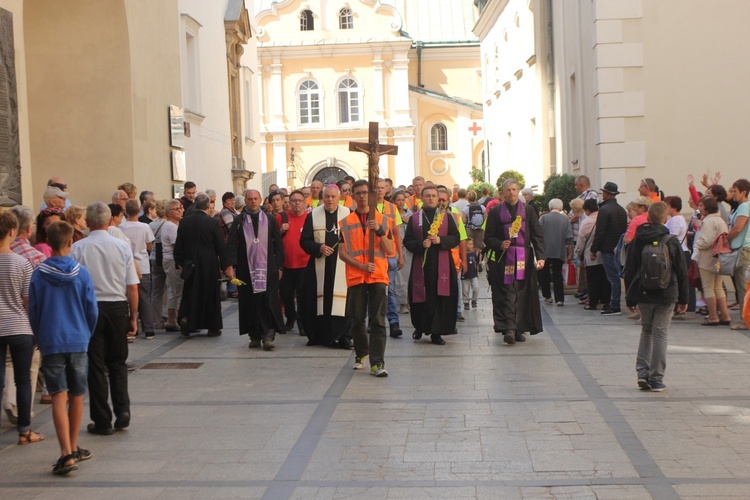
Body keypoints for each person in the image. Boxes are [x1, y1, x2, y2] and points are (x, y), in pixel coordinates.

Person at [28, 221, 98, 475]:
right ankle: (74, 445)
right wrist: (86, 334)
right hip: (78, 338)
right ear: (71, 242)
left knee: (58, 394)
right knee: (77, 394)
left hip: (51, 339)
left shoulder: (38, 273)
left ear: (47, 241)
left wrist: (39, 334)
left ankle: (66, 452)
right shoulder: (82, 273)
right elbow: (92, 309)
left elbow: (33, 309)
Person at [70, 202, 139, 436]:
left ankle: (102, 420)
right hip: (118, 306)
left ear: (88, 222)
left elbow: (73, 285)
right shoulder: (121, 246)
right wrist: (134, 316)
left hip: (90, 308)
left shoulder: (78, 248)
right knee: (118, 362)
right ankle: (123, 410)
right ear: (110, 221)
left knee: (96, 366)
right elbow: (132, 286)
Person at [624, 202, 688, 392]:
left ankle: (642, 374)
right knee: (661, 334)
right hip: (667, 293)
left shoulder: (638, 240)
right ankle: (657, 378)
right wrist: (683, 299)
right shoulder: (671, 240)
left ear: (648, 217)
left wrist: (630, 297)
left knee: (646, 331)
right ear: (665, 219)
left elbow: (630, 270)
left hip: (644, 292)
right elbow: (682, 271)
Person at [339, 179, 395, 376]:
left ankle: (377, 362)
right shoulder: (345, 222)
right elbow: (342, 253)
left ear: (371, 196)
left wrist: (379, 231)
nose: (362, 196)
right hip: (356, 276)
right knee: (356, 319)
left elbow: (391, 250)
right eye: (358, 193)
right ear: (352, 196)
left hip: (378, 275)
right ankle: (361, 352)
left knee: (378, 319)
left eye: (365, 193)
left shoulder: (384, 220)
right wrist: (360, 265)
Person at [0, 211, 46, 446]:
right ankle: (25, 430)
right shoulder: (22, 263)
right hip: (19, 326)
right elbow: (29, 300)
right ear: (12, 232)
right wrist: (36, 328)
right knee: (23, 380)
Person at [484, 179, 546, 344]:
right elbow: (488, 237)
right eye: (508, 190)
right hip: (503, 259)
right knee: (506, 292)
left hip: (523, 258)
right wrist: (499, 243)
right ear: (503, 192)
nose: (511, 192)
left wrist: (541, 257)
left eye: (513, 189)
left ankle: (519, 327)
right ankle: (508, 328)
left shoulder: (529, 210)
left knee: (522, 293)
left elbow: (537, 235)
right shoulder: (496, 212)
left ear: (518, 191)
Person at [227, 189, 285, 350]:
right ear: (245, 201)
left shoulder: (270, 219)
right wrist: (229, 266)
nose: (253, 201)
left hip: (268, 266)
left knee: (268, 300)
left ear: (260, 200)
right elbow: (231, 244)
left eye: (255, 198)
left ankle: (268, 334)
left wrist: (280, 265)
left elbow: (278, 243)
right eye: (250, 199)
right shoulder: (239, 221)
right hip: (246, 267)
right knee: (250, 301)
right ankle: (254, 335)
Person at [403, 185, 461, 345]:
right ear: (421, 198)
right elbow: (407, 241)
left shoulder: (446, 216)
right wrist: (421, 244)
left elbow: (456, 237)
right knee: (420, 297)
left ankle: (437, 332)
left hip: (442, 262)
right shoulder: (415, 218)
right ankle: (420, 327)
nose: (430, 198)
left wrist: (441, 240)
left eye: (433, 196)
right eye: (427, 195)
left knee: (439, 297)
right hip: (421, 264)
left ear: (438, 198)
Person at [299, 185, 353, 348]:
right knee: (316, 300)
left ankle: (344, 336)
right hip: (319, 266)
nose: (330, 200)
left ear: (339, 197)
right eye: (327, 197)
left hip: (342, 264)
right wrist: (319, 248)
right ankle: (319, 335)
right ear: (322, 198)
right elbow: (304, 241)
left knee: (345, 301)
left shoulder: (348, 214)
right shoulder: (313, 215)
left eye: (333, 197)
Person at [174, 193, 229, 337]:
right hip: (209, 265)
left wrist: (179, 262)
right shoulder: (212, 223)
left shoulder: (184, 222)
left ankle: (187, 319)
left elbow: (179, 246)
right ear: (207, 206)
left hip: (191, 264)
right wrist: (226, 266)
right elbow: (220, 246)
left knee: (191, 294)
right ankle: (212, 326)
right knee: (210, 295)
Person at [691, 196, 731, 326]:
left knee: (708, 287)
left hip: (708, 257)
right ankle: (725, 315)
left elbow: (707, 241)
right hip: (719, 258)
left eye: (701, 206)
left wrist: (697, 244)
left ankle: (713, 316)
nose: (699, 208)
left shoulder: (709, 221)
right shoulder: (720, 220)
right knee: (718, 287)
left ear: (707, 208)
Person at [120, 199, 156, 340]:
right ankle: (149, 329)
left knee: (128, 298)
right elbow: (150, 246)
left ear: (125, 212)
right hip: (143, 265)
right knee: (145, 297)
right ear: (138, 211)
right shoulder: (144, 227)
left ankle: (131, 328)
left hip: (127, 265)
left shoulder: (122, 227)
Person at [590, 182, 628, 316]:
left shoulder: (605, 210)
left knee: (613, 278)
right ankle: (614, 302)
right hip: (618, 248)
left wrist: (593, 249)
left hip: (607, 248)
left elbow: (600, 232)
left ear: (607, 194)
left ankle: (614, 304)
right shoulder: (621, 210)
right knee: (615, 277)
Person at [278, 190, 310, 335]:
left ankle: (302, 323)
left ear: (304, 202)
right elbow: (273, 238)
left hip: (304, 264)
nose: (297, 203)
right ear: (289, 203)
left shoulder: (310, 218)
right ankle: (290, 317)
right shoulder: (282, 217)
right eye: (294, 200)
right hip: (286, 264)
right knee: (286, 294)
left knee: (303, 296)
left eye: (299, 200)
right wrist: (280, 230)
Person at [376, 179, 404, 338]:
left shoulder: (392, 208)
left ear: (387, 189)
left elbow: (397, 234)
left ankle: (394, 322)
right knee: (372, 291)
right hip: (372, 256)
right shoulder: (368, 207)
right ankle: (373, 321)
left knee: (390, 290)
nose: (379, 190)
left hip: (389, 255)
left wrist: (400, 255)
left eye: (382, 187)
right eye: (377, 188)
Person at [575, 199, 610, 310]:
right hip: (604, 254)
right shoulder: (604, 218)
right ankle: (605, 300)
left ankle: (592, 302)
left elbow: (581, 241)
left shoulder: (587, 222)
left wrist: (578, 253)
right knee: (604, 279)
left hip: (590, 255)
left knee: (592, 279)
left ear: (587, 210)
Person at [539, 198, 574, 306]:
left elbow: (538, 234)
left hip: (545, 251)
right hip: (559, 250)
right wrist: (570, 252)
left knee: (544, 274)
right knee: (557, 274)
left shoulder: (543, 218)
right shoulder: (565, 219)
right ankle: (559, 299)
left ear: (550, 207)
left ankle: (547, 296)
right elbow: (569, 238)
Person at [727, 179, 750, 330]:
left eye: (735, 191)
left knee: (742, 286)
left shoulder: (743, 206)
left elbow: (737, 228)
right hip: (744, 249)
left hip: (742, 250)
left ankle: (744, 320)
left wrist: (724, 238)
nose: (732, 194)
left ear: (743, 192)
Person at [161, 199, 184, 331]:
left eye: (181, 208)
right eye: (177, 208)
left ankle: (172, 319)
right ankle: (175, 319)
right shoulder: (171, 226)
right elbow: (177, 246)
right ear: (169, 212)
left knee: (173, 290)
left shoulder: (173, 225)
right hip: (173, 260)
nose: (180, 210)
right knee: (177, 290)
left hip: (170, 259)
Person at [392, 190, 413, 313]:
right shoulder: (391, 214)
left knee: (407, 276)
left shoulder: (409, 215)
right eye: (398, 200)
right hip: (395, 248)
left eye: (402, 200)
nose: (400, 202)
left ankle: (407, 301)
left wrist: (408, 222)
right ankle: (400, 303)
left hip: (407, 249)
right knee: (398, 278)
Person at [462, 239, 480, 310]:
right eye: (469, 244)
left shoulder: (473, 254)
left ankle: (474, 300)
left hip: (473, 275)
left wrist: (477, 272)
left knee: (476, 288)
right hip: (465, 275)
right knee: (465, 290)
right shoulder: (463, 254)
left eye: (472, 244)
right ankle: (466, 302)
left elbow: (475, 263)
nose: (471, 245)